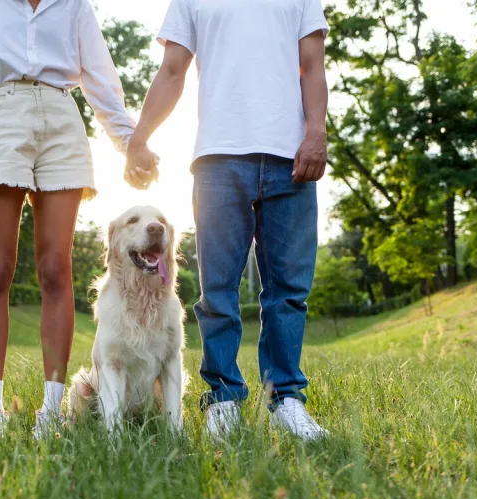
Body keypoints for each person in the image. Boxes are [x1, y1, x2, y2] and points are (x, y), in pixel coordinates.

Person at [0, 0, 156, 439]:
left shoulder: (74, 5)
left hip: (62, 118)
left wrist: (130, 143)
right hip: (3, 111)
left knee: (55, 269)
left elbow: (100, 81)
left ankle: (52, 411)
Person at [126, 0, 330, 441]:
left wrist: (316, 132)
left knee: (289, 291)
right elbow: (172, 71)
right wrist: (139, 136)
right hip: (218, 159)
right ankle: (223, 399)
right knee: (217, 291)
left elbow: (312, 66)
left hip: (290, 156)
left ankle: (287, 400)